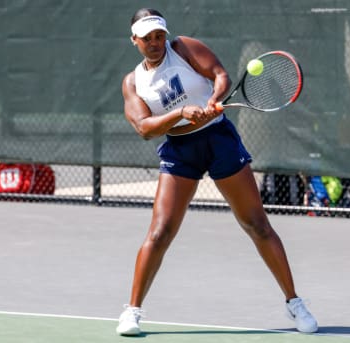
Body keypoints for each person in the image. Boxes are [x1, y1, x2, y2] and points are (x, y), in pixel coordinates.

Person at [117, 8, 318, 336]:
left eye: (159, 35)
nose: (155, 43)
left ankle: (294, 303)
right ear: (134, 40)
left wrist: (212, 99)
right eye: (147, 38)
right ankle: (132, 312)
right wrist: (180, 114)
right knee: (161, 231)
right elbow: (144, 127)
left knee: (256, 224)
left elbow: (221, 75)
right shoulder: (132, 83)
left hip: (219, 140)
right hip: (180, 152)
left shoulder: (183, 48)